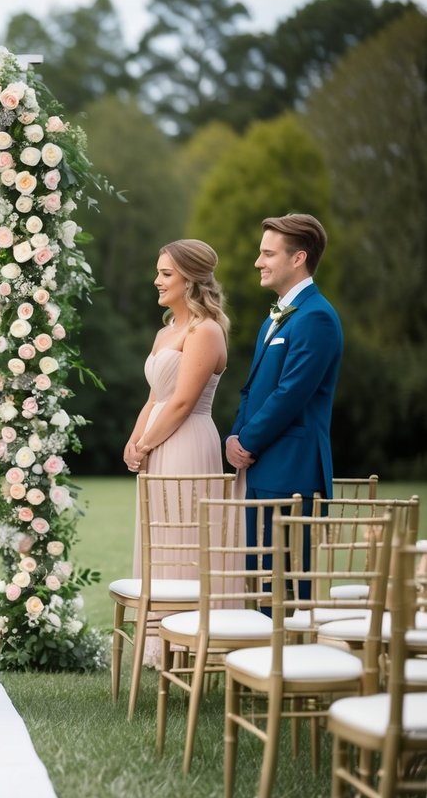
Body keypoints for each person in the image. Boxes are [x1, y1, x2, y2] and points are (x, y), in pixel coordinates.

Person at [122, 239, 229, 666]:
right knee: (160, 538)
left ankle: (188, 648)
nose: (157, 281)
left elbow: (183, 402)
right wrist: (134, 442)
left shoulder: (205, 330)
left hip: (187, 443)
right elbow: (156, 397)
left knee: (185, 539)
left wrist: (148, 442)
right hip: (158, 442)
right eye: (159, 271)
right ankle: (160, 644)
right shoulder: (166, 331)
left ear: (191, 279)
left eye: (166, 273)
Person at [225, 214, 343, 594]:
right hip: (261, 467)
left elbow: (291, 393)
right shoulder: (274, 317)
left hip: (292, 471)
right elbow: (251, 389)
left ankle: (293, 655)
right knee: (260, 582)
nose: (258, 262)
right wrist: (234, 435)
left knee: (287, 589)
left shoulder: (317, 317)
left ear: (298, 258)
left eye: (267, 254)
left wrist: (248, 442)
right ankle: (261, 655)